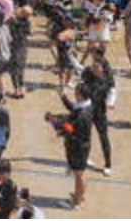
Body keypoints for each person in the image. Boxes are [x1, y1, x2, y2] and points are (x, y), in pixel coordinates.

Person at [49, 81, 93, 210]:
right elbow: (73, 108)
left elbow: (72, 131)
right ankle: (80, 195)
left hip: (78, 147)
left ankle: (76, 203)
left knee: (79, 175)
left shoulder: (81, 115)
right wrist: (63, 96)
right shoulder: (87, 105)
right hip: (84, 145)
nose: (74, 94)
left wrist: (58, 128)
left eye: (76, 92)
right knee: (81, 174)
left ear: (80, 95)